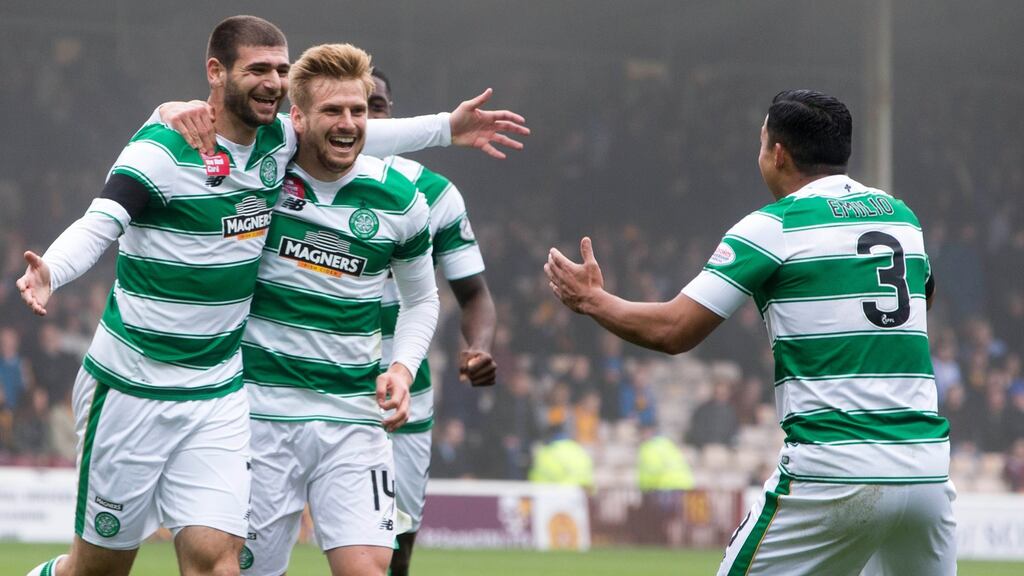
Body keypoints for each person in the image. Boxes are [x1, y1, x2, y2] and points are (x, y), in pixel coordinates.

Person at [19, 15, 528, 576]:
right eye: (258, 69)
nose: (274, 82)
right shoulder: (162, 150)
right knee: (98, 570)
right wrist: (52, 271)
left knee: (218, 564)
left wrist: (447, 128)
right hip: (131, 387)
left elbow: (354, 130)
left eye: (281, 70)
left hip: (218, 393)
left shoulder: (277, 145)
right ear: (216, 72)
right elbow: (101, 222)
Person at [545, 90, 952, 575]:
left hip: (835, 473)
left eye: (761, 142)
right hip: (927, 473)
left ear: (777, 153)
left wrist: (592, 300)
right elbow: (922, 300)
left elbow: (674, 330)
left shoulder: (772, 227)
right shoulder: (902, 218)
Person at [237, 43, 438, 576]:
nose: (349, 123)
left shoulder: (400, 198)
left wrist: (402, 369)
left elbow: (422, 299)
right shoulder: (259, 177)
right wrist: (171, 110)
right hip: (260, 414)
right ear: (297, 118)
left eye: (358, 110)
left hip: (354, 416)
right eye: (333, 110)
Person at [368, 67, 497, 576]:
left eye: (374, 106)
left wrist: (478, 346)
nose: (362, 119)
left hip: (401, 395)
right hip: (303, 383)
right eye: (349, 106)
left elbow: (474, 294)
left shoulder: (433, 194)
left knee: (395, 548)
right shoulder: (287, 178)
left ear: (391, 115)